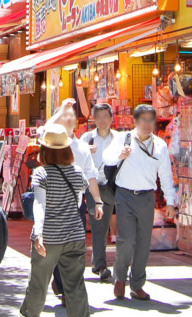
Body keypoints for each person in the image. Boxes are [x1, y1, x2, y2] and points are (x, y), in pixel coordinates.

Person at [102, 104, 177, 301]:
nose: (146, 124)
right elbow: (106, 158)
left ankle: (137, 284)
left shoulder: (159, 145)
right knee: (126, 240)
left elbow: (166, 176)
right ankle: (120, 279)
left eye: (150, 120)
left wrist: (171, 201)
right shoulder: (123, 138)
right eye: (142, 119)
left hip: (146, 197)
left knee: (144, 242)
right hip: (125, 195)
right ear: (135, 121)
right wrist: (120, 155)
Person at [19, 124, 90, 317]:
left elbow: (39, 205)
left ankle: (30, 314)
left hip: (49, 237)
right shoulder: (76, 172)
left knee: (38, 284)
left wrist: (39, 233)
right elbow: (77, 203)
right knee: (75, 286)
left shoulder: (41, 173)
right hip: (75, 235)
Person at [47, 100, 105, 301]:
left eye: (72, 114)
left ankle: (68, 289)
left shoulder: (82, 147)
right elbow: (46, 128)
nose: (69, 117)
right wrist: (61, 108)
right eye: (65, 114)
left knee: (74, 249)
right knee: (56, 249)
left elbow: (91, 176)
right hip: (53, 206)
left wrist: (97, 201)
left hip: (76, 205)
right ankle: (61, 283)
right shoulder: (50, 140)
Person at [81, 102, 118, 280]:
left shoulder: (118, 138)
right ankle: (101, 265)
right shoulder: (87, 138)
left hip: (111, 186)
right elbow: (75, 159)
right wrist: (85, 151)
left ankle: (97, 262)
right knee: (97, 224)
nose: (103, 120)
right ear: (94, 119)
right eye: (99, 117)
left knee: (104, 225)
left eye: (106, 116)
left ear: (112, 118)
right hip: (91, 184)